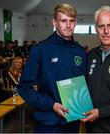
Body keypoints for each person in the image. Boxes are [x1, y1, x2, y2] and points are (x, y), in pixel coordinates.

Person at [17, 3, 86, 133]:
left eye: (71, 21)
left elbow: (85, 85)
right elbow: (24, 88)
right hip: (47, 123)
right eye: (63, 21)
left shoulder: (80, 52)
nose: (68, 25)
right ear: (54, 22)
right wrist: (51, 105)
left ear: (76, 22)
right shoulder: (40, 50)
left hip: (73, 121)